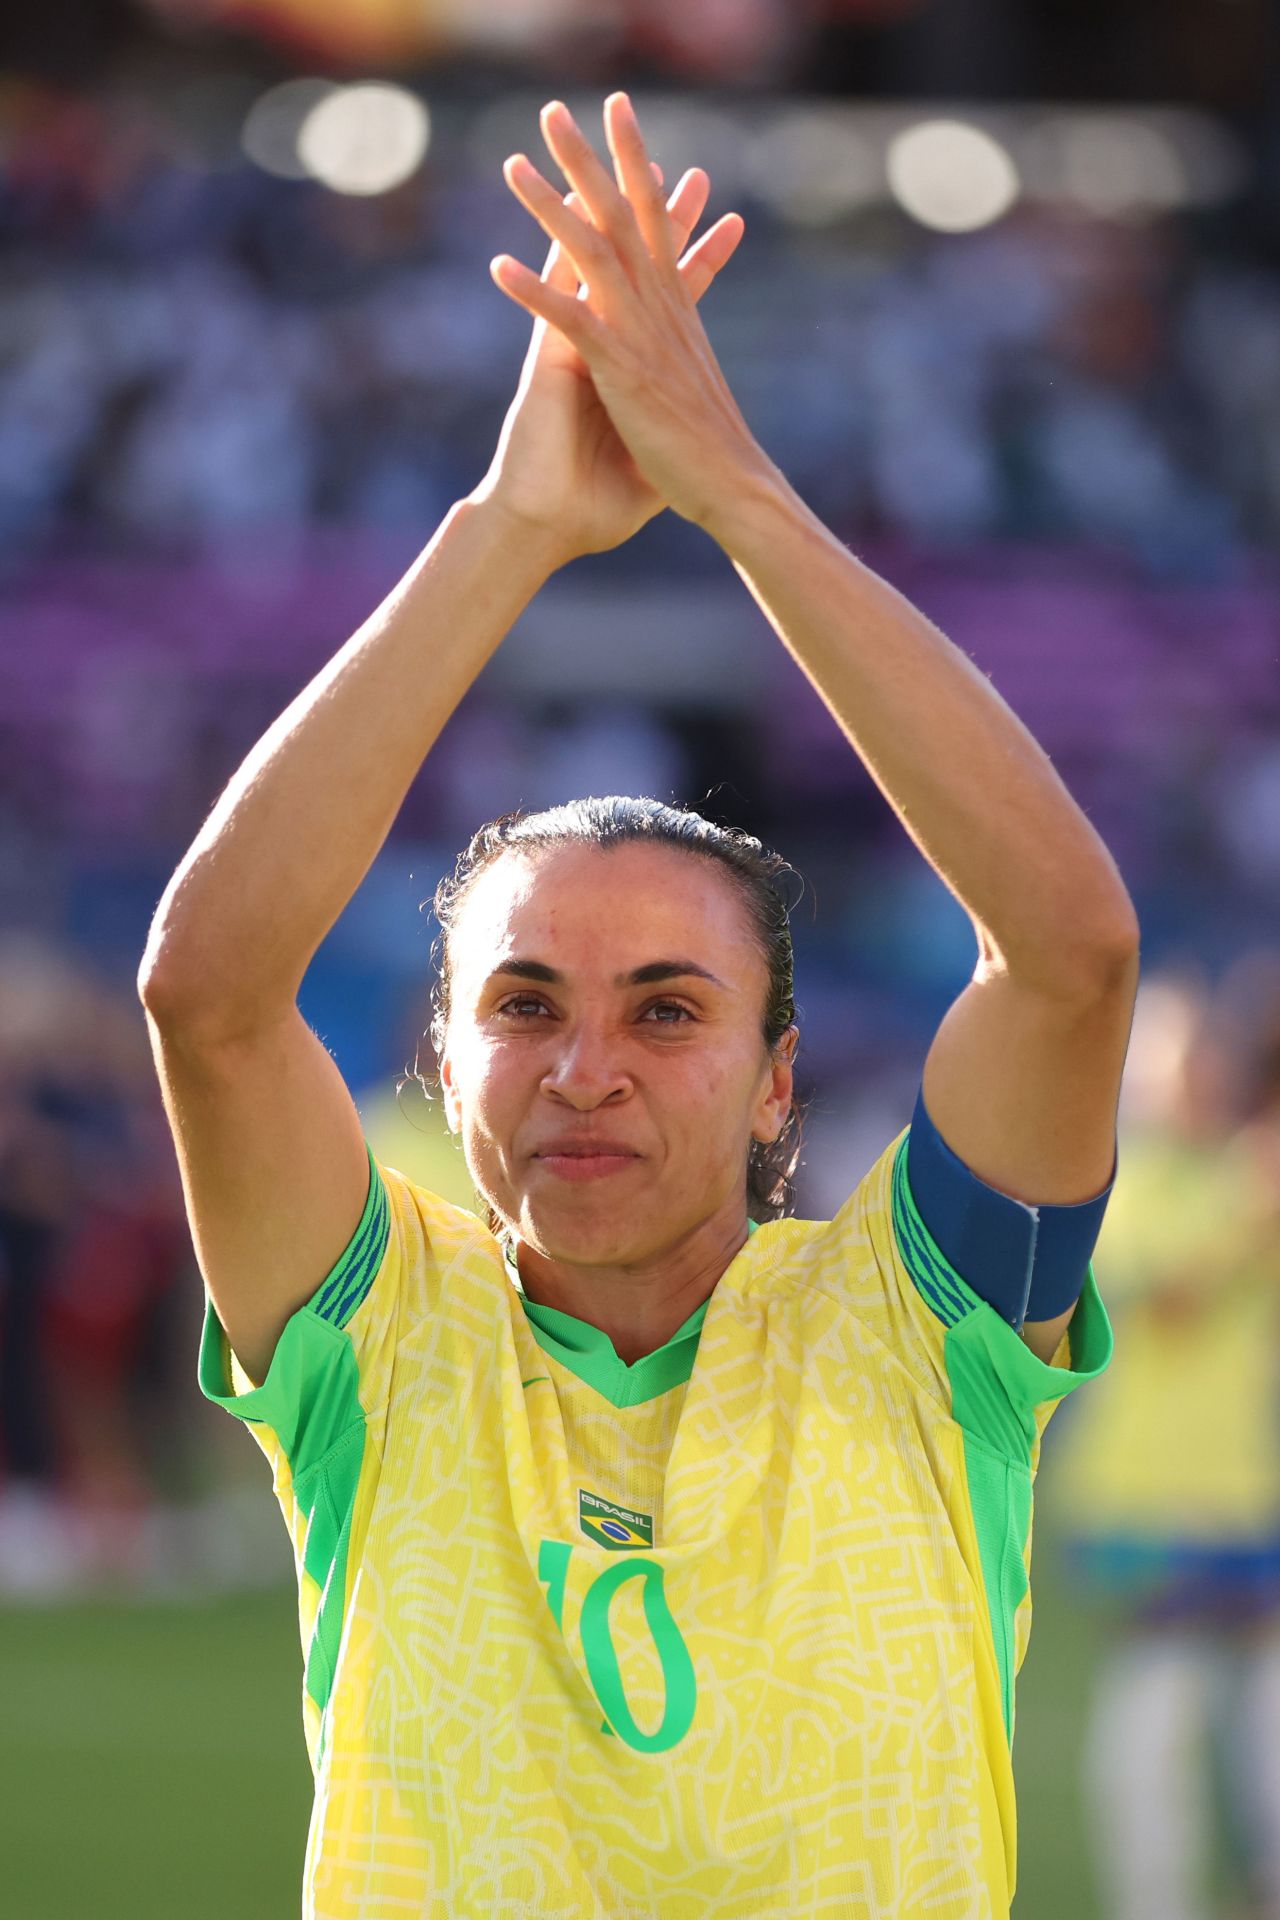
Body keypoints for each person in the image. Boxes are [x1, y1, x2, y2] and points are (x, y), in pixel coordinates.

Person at [138, 93, 1138, 1920]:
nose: (584, 1069)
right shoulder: (382, 1345)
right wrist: (510, 523)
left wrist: (737, 493)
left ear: (778, 1084)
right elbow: (209, 996)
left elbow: (1068, 953)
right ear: (445, 1066)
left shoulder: (920, 1330)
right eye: (524, 1005)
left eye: (668, 1010)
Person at [1048, 974, 1280, 1920]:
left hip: (1242, 1489)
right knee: (1164, 1706)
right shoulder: (1120, 1187)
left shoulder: (1238, 1176)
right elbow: (1171, 1299)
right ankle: (1158, 1901)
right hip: (1141, 1495)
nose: (1196, 1083)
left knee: (1259, 1707)